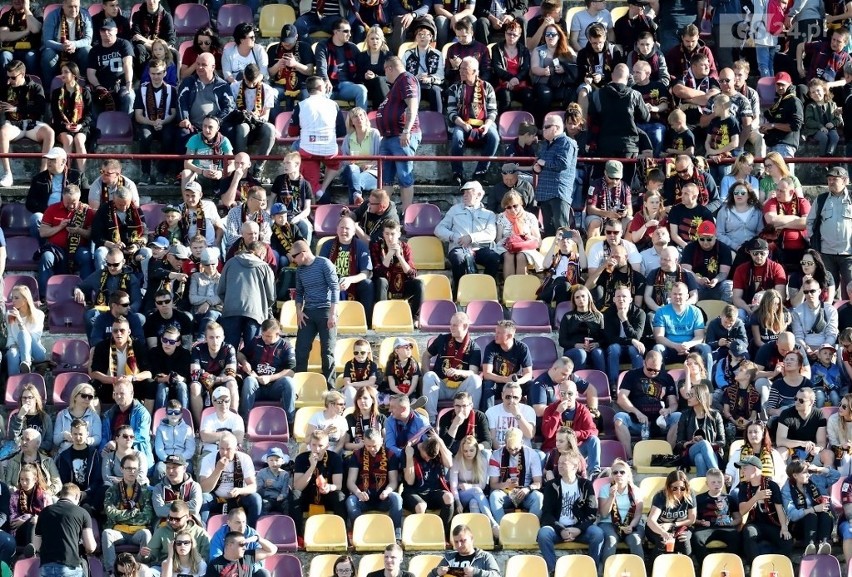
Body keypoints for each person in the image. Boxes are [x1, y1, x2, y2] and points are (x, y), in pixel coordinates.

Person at [537, 451, 604, 573]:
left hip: (580, 529)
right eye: (559, 463)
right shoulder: (552, 486)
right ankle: (554, 571)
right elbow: (546, 514)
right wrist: (561, 529)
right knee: (543, 534)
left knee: (598, 534)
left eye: (564, 463)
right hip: (558, 529)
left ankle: (592, 570)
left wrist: (578, 529)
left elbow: (592, 513)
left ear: (574, 466)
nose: (559, 466)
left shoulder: (586, 485)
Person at [435, 181, 499, 298]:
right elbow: (439, 229)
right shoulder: (455, 210)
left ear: (479, 195)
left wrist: (471, 238)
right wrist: (453, 237)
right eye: (463, 193)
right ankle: (459, 292)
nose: (464, 195)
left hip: (480, 248)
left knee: (494, 258)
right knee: (458, 258)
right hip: (459, 247)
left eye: (468, 193)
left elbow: (491, 234)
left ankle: (485, 291)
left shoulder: (489, 214)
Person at [615, 350, 678, 459]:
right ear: (644, 363)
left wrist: (668, 410)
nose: (653, 372)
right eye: (650, 369)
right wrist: (637, 412)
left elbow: (673, 403)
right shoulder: (632, 375)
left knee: (679, 417)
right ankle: (630, 458)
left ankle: (667, 456)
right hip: (637, 421)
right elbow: (621, 398)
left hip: (660, 422)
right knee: (619, 418)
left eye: (656, 370)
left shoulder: (666, 378)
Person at [292, 241, 339, 386]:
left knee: (327, 351)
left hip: (325, 310)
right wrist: (299, 311)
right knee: (301, 348)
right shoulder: (299, 271)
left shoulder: (324, 263)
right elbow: (299, 293)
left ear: (303, 253)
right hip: (308, 311)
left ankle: (330, 387)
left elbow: (334, 287)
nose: (293, 259)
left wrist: (332, 313)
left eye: (294, 256)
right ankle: (300, 384)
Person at [0, 60, 53, 187]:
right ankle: (8, 173)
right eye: (8, 77)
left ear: (22, 74)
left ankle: (43, 174)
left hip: (32, 124)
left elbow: (40, 109)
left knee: (49, 132)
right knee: (3, 132)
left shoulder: (35, 87)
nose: (10, 81)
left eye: (13, 77)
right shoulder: (5, 88)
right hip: (13, 124)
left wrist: (17, 109)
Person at [446, 56, 499, 184]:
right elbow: (451, 112)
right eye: (460, 68)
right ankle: (457, 173)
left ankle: (480, 173)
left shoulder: (487, 87)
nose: (461, 71)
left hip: (483, 123)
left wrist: (486, 126)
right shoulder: (455, 88)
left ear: (475, 71)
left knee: (494, 137)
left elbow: (493, 111)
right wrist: (463, 124)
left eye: (465, 69)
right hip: (462, 123)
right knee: (457, 136)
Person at [346, 427, 403, 540]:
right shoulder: (357, 455)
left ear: (382, 441)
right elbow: (350, 482)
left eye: (375, 446)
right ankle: (359, 534)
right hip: (364, 498)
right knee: (350, 501)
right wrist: (358, 493)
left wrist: (387, 491)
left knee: (396, 497)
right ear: (364, 443)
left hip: (383, 498)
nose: (372, 449)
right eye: (368, 446)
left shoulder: (390, 455)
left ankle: (396, 536)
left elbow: (393, 482)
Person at [318, 215, 375, 326]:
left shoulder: (361, 246)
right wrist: (334, 283)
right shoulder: (327, 245)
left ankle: (366, 322)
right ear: (337, 229)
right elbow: (321, 270)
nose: (344, 231)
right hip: (332, 282)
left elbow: (366, 273)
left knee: (368, 284)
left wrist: (349, 280)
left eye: (347, 228)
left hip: (353, 282)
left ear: (354, 232)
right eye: (341, 227)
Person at [737, 454, 793, 564]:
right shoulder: (743, 487)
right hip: (754, 524)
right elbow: (742, 511)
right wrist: (756, 497)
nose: (742, 471)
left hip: (772, 524)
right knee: (749, 533)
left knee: (787, 541)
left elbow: (779, 509)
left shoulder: (772, 485)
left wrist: (784, 527)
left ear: (754, 469)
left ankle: (775, 565)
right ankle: (755, 566)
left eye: (744, 468)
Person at [102, 453, 153, 570]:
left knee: (147, 534)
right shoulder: (112, 490)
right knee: (106, 534)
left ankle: (144, 568)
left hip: (138, 533)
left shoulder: (145, 492)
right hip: (119, 532)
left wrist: (122, 515)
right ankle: (111, 571)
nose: (132, 472)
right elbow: (111, 514)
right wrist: (133, 513)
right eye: (128, 468)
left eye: (135, 468)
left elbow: (147, 517)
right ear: (121, 469)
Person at [33, 484, 97, 577]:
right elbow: (90, 547)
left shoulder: (44, 512)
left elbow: (37, 545)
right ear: (77, 496)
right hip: (70, 567)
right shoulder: (82, 513)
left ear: (61, 495)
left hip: (46, 567)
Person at [198, 432, 261, 527]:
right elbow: (204, 488)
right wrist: (218, 469)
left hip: (238, 497)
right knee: (203, 498)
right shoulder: (208, 459)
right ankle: (203, 533)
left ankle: (251, 532)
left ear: (236, 448)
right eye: (221, 448)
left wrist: (240, 490)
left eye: (228, 449)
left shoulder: (244, 459)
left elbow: (253, 486)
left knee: (256, 499)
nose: (224, 452)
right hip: (216, 497)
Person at [807, 166, 852, 299]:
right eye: (829, 179)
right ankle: (830, 317)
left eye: (835, 179)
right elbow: (810, 221)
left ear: (844, 181)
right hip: (825, 254)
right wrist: (812, 239)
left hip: (849, 254)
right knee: (827, 292)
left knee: (851, 289)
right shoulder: (821, 200)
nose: (831, 182)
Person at [90, 316, 154, 408]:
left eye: (122, 330)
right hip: (110, 386)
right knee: (92, 385)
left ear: (129, 332)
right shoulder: (102, 346)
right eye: (115, 331)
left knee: (150, 383)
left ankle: (148, 419)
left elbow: (148, 373)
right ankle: (95, 419)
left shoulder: (138, 346)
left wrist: (132, 378)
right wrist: (113, 380)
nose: (118, 333)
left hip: (133, 385)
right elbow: (95, 373)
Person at [591, 63, 650, 162]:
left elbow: (594, 119)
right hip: (629, 147)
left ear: (612, 75)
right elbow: (646, 118)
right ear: (628, 77)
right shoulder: (635, 95)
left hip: (605, 145)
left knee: (607, 177)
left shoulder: (597, 94)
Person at [176, 52, 235, 151]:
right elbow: (181, 101)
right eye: (198, 64)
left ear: (213, 67)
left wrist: (217, 121)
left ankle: (228, 164)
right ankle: (183, 165)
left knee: (230, 130)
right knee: (183, 133)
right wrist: (184, 119)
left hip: (215, 126)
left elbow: (230, 107)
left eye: (204, 65)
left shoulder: (222, 85)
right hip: (192, 125)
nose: (199, 67)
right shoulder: (188, 82)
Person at [134, 57, 179, 185]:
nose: (156, 77)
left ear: (165, 73)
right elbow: (138, 115)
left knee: (169, 137)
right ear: (149, 73)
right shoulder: (141, 90)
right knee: (144, 136)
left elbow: (174, 113)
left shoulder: (172, 90)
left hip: (165, 123)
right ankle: (145, 173)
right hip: (148, 122)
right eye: (153, 73)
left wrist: (162, 122)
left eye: (159, 73)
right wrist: (153, 122)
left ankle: (161, 173)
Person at [292, 429, 347, 534]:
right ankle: (297, 535)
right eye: (314, 445)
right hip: (308, 495)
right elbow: (298, 487)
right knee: (294, 494)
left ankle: (341, 532)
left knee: (340, 496)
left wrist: (329, 487)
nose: (316, 449)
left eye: (320, 446)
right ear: (310, 445)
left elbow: (338, 485)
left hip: (327, 496)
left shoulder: (335, 458)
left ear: (327, 446)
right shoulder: (301, 458)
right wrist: (312, 467)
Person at [541, 379, 601, 475]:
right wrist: (557, 413)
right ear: (558, 395)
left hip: (575, 449)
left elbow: (593, 431)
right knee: (543, 458)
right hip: (555, 449)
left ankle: (594, 473)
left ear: (576, 394)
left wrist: (574, 434)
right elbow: (548, 434)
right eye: (563, 394)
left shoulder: (582, 410)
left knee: (594, 440)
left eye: (570, 393)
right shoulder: (551, 409)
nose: (566, 397)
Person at [782, 459, 840, 555]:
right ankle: (810, 546)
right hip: (800, 527)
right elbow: (792, 515)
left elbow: (836, 475)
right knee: (811, 515)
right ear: (795, 475)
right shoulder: (787, 489)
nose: (808, 475)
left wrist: (819, 468)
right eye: (804, 472)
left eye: (808, 472)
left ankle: (824, 544)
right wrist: (813, 509)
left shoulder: (814, 479)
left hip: (820, 525)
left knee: (826, 514)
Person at [652, 282, 714, 372]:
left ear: (687, 296)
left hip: (690, 349)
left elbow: (700, 336)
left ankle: (707, 382)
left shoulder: (696, 312)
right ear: (670, 295)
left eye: (680, 294)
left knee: (706, 348)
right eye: (674, 294)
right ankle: (660, 382)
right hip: (670, 348)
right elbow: (659, 337)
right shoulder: (661, 312)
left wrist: (688, 345)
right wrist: (675, 346)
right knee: (657, 348)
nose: (677, 297)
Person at [403, 434, 455, 540]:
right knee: (421, 506)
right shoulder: (409, 452)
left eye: (430, 458)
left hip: (432, 491)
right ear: (421, 447)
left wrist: (439, 441)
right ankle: (422, 537)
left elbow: (449, 464)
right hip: (413, 492)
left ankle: (442, 535)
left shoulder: (437, 452)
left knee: (449, 497)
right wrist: (409, 457)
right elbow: (409, 481)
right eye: (426, 456)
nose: (427, 460)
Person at [371, 221, 423, 322]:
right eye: (387, 234)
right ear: (383, 234)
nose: (389, 238)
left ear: (399, 234)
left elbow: (412, 274)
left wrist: (399, 256)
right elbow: (377, 272)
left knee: (419, 284)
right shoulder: (376, 247)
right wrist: (389, 254)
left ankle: (413, 318)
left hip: (402, 285)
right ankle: (382, 317)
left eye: (393, 234)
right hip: (384, 287)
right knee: (381, 281)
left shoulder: (405, 247)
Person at [189, 322, 239, 424]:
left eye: (218, 337)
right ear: (206, 338)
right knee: (194, 386)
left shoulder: (228, 349)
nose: (215, 341)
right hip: (203, 383)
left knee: (232, 383)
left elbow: (231, 373)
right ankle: (200, 426)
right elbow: (194, 374)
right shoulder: (198, 349)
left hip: (219, 381)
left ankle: (233, 422)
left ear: (223, 337)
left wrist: (211, 377)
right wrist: (218, 378)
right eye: (211, 337)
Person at [599, 458, 645, 563]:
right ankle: (606, 572)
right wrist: (611, 496)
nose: (618, 474)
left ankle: (640, 572)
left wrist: (631, 526)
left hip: (632, 524)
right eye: (615, 472)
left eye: (622, 472)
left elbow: (638, 515)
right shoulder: (605, 489)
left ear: (628, 475)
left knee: (635, 540)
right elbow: (604, 514)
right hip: (609, 523)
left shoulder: (636, 491)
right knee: (611, 540)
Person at [691, 467, 741, 563]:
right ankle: (706, 564)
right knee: (696, 537)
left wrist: (732, 523)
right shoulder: (699, 499)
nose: (717, 484)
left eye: (719, 482)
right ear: (707, 484)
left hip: (725, 527)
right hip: (705, 528)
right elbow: (692, 518)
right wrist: (700, 522)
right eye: (713, 482)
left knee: (736, 536)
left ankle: (727, 563)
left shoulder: (729, 499)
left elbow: (738, 518)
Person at [480, 320, 532, 412]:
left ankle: (533, 416)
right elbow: (487, 374)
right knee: (488, 385)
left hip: (515, 383)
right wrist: (506, 379)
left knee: (531, 384)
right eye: (496, 332)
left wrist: (518, 382)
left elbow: (528, 374)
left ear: (509, 336)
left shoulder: (522, 348)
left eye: (499, 333)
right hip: (497, 384)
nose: (495, 335)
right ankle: (487, 417)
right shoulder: (491, 347)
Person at [675, 382, 725, 475]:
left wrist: (707, 444)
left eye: (691, 395)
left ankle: (702, 488)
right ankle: (717, 475)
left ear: (700, 397)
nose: (688, 397)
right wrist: (690, 442)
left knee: (700, 458)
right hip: (690, 453)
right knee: (703, 445)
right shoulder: (685, 415)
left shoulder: (715, 415)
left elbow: (722, 441)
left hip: (712, 452)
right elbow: (679, 442)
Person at [86, 18, 134, 114]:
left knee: (129, 97)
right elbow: (90, 73)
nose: (106, 33)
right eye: (103, 30)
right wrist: (98, 86)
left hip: (121, 85)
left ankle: (126, 126)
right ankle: (96, 128)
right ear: (99, 32)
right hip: (102, 86)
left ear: (116, 30)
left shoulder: (124, 44)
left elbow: (127, 64)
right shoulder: (95, 50)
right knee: (88, 98)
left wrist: (129, 83)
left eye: (109, 30)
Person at [732, 238, 788, 318]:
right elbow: (736, 298)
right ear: (750, 253)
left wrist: (763, 306)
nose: (759, 256)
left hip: (770, 307)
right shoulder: (741, 269)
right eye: (755, 253)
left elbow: (781, 296)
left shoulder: (776, 268)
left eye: (762, 253)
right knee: (739, 314)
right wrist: (747, 308)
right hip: (748, 307)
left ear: (768, 252)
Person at [603, 285, 647, 385]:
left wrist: (624, 319)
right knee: (614, 348)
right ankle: (613, 384)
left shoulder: (639, 313)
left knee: (634, 349)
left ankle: (640, 383)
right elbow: (610, 339)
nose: (621, 299)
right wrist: (631, 341)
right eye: (618, 297)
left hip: (633, 348)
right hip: (616, 348)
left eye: (624, 297)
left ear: (630, 299)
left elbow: (636, 337)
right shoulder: (608, 313)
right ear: (614, 299)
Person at [40, 0, 93, 82]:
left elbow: (88, 39)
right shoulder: (52, 16)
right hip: (57, 49)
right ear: (63, 6)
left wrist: (74, 44)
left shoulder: (85, 15)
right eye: (70, 7)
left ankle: (84, 83)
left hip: (77, 48)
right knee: (48, 54)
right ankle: (49, 86)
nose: (74, 10)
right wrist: (62, 46)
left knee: (87, 50)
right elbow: (47, 41)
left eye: (76, 6)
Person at [558, 285, 606, 371]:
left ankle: (603, 381)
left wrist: (597, 344)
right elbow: (562, 341)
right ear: (574, 300)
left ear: (588, 297)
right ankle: (578, 381)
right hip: (573, 350)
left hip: (593, 348)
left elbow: (604, 338)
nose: (581, 299)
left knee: (598, 352)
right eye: (577, 297)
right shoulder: (568, 316)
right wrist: (576, 345)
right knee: (581, 353)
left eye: (583, 296)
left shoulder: (598, 316)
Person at [340, 107, 381, 206]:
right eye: (355, 116)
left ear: (365, 118)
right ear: (351, 122)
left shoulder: (374, 134)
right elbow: (344, 159)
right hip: (353, 169)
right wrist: (352, 164)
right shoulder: (348, 137)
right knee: (353, 170)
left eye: (361, 115)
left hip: (371, 172)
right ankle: (357, 199)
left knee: (355, 182)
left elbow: (380, 155)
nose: (359, 118)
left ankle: (354, 202)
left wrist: (370, 166)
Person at [791, 279, 839, 360]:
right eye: (806, 292)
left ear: (819, 291)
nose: (809, 294)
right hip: (805, 348)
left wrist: (821, 349)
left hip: (826, 347)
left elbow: (832, 335)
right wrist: (807, 349)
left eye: (812, 291)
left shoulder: (830, 310)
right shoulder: (797, 311)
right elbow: (798, 336)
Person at [761, 72, 804, 160]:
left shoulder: (794, 101)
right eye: (778, 84)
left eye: (783, 84)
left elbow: (796, 126)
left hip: (785, 146)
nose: (780, 87)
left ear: (790, 84)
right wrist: (766, 129)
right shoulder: (780, 102)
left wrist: (772, 125)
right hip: (773, 145)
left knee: (785, 174)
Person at [429, 524, 500, 577]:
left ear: (472, 539)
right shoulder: (448, 558)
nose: (459, 545)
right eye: (456, 542)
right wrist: (436, 572)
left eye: (462, 541)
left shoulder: (485, 557)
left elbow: (497, 575)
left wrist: (476, 572)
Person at [5, 285, 45, 375]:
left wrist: (20, 322)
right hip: (17, 348)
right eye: (12, 298)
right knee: (12, 353)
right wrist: (12, 346)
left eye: (16, 298)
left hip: (36, 351)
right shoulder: (10, 314)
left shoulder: (39, 314)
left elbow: (34, 337)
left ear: (25, 300)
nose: (13, 301)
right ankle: (14, 383)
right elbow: (10, 336)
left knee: (23, 333)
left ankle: (26, 362)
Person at [716, 181, 764, 253]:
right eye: (736, 193)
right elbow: (719, 234)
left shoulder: (756, 211)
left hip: (753, 250)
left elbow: (760, 232)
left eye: (743, 193)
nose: (739, 195)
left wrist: (753, 246)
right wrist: (736, 247)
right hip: (730, 250)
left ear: (749, 195)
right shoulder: (724, 211)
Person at [150, 458, 202, 523]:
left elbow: (195, 508)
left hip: (189, 523)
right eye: (168, 467)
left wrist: (169, 506)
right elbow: (160, 511)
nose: (170, 471)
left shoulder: (194, 486)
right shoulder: (159, 488)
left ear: (184, 469)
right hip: (166, 524)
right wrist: (185, 508)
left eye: (174, 467)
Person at [205, 530, 275, 577]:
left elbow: (272, 550)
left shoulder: (248, 556)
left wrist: (257, 539)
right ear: (230, 545)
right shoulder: (214, 565)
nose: (244, 547)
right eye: (241, 544)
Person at [153, 408, 196, 480]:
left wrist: (179, 459)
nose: (173, 414)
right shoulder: (160, 429)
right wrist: (168, 460)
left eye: (176, 412)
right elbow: (159, 449)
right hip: (166, 459)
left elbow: (190, 450)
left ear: (181, 414)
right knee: (159, 469)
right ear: (166, 414)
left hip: (183, 459)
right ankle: (161, 490)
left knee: (188, 468)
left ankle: (184, 490)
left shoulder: (187, 429)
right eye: (170, 412)